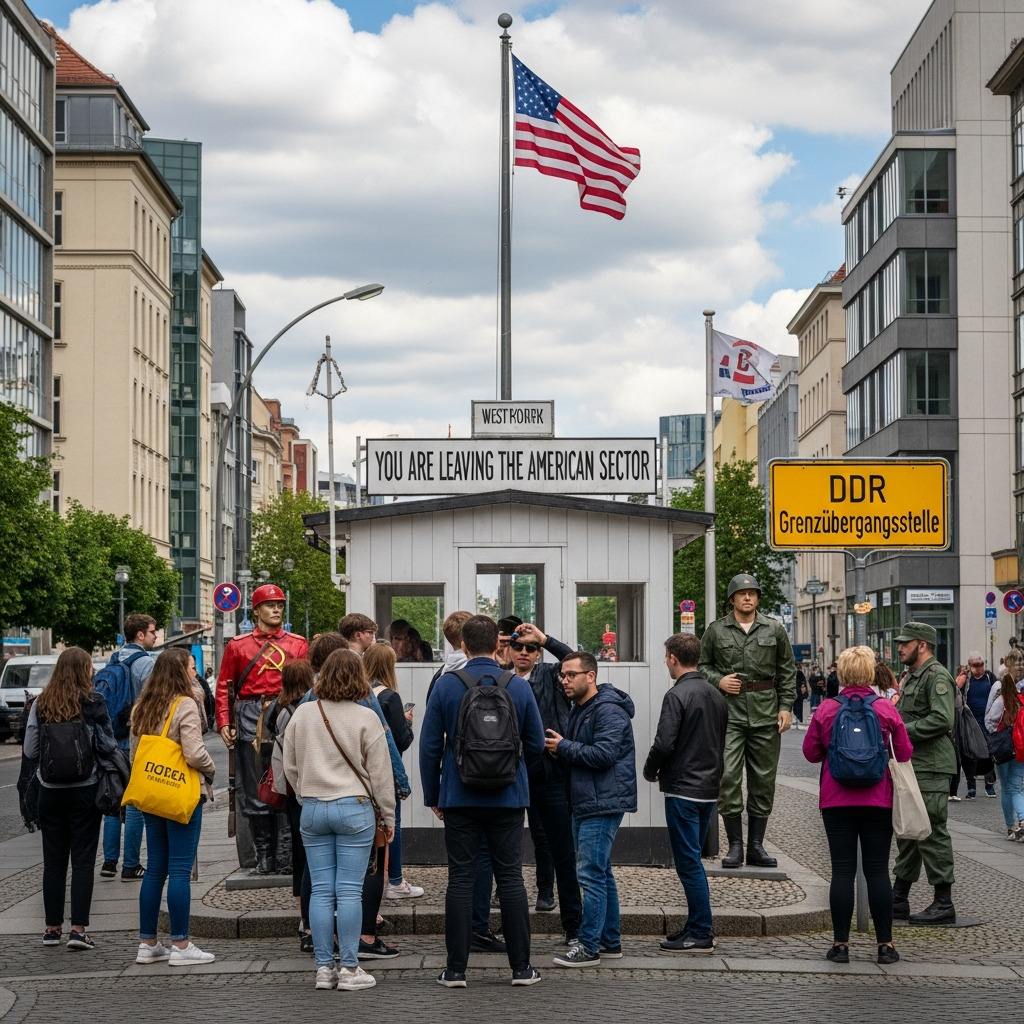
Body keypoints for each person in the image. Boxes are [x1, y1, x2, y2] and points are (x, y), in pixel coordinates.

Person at [419, 614, 545, 988]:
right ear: (498, 646)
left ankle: (456, 970)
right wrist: (519, 781)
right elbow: (536, 745)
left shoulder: (445, 686)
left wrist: (434, 795)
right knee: (510, 878)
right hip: (508, 798)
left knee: (460, 878)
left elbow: (429, 747)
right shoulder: (518, 687)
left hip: (459, 796)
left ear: (462, 645)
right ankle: (522, 969)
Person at [284, 649, 396, 991]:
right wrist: (388, 815)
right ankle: (349, 969)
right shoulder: (366, 718)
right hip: (354, 808)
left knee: (320, 890)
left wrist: (306, 794)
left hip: (314, 808)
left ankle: (323, 969)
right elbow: (381, 775)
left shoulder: (303, 714)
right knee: (349, 891)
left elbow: (289, 765)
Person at [802, 646, 913, 965]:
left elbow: (811, 753)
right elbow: (904, 753)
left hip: (837, 800)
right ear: (869, 672)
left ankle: (840, 945)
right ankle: (885, 946)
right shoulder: (884, 708)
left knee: (842, 870)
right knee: (877, 870)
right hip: (878, 800)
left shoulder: (826, 709)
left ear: (842, 673)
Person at [697, 573, 796, 869]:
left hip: (766, 712)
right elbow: (701, 666)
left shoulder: (775, 629)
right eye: (742, 594)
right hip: (729, 713)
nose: (748, 598)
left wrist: (786, 706)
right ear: (732, 600)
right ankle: (735, 846)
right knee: (728, 778)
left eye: (753, 593)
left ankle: (756, 846)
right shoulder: (716, 631)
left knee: (763, 780)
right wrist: (719, 680)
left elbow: (787, 671)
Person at [546, 651, 636, 968]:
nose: (564, 680)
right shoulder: (582, 708)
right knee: (601, 872)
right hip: (587, 799)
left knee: (590, 874)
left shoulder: (608, 710)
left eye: (571, 674)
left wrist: (564, 747)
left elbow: (604, 754)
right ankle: (610, 942)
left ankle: (588, 947)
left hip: (602, 801)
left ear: (591, 676)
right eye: (562, 675)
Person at [25, 647, 117, 950]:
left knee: (53, 863)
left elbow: (30, 750)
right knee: (82, 861)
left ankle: (51, 930)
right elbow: (108, 744)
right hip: (86, 790)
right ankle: (78, 931)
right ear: (85, 670)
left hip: (49, 794)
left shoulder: (41, 703)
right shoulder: (93, 702)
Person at [131, 648, 217, 966]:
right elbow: (194, 753)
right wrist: (211, 770)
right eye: (192, 668)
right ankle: (181, 945)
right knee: (180, 869)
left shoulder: (143, 705)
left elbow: (136, 755)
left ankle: (148, 943)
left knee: (155, 868)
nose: (195, 673)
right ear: (181, 671)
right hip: (180, 793)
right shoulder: (186, 704)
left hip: (152, 792)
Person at [643, 633, 728, 953]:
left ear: (673, 658)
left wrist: (650, 770)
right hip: (708, 789)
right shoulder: (715, 694)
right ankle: (694, 925)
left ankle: (702, 931)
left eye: (666, 656)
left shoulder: (677, 695)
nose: (666, 661)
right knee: (692, 860)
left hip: (683, 789)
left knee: (688, 863)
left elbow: (664, 742)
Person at [216, 584, 308, 873]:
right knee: (253, 788)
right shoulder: (237, 646)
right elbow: (223, 688)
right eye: (270, 605)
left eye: (280, 604)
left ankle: (285, 856)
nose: (277, 609)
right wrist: (224, 722)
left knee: (286, 783)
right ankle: (264, 857)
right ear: (256, 611)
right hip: (248, 715)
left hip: (286, 713)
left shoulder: (297, 644)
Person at [508, 621, 582, 942]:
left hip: (550, 772)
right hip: (509, 774)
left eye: (531, 648)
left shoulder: (552, 676)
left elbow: (578, 660)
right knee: (504, 845)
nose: (524, 652)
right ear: (509, 650)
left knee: (556, 845)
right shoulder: (501, 678)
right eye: (519, 646)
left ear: (538, 653)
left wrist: (545, 638)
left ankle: (566, 916)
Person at [891, 622, 957, 925]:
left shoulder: (936, 676)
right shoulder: (912, 676)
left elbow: (942, 720)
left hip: (931, 765)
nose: (900, 647)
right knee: (909, 831)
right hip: (913, 764)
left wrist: (902, 731)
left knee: (931, 831)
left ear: (923, 645)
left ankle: (944, 902)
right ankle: (898, 898)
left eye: (906, 643)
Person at [363, 641, 423, 900]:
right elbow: (401, 741)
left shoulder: (361, 693)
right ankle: (395, 881)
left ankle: (370, 879)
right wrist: (408, 723)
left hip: (363, 771)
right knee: (391, 824)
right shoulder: (390, 696)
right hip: (386, 772)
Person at [100, 613, 157, 882]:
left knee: (113, 800)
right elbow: (152, 703)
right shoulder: (146, 663)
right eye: (153, 631)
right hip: (136, 740)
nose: (156, 636)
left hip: (110, 740)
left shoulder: (114, 659)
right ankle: (131, 865)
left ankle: (109, 862)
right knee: (134, 804)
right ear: (140, 635)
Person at [269, 658, 315, 952]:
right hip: (302, 787)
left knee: (300, 851)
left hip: (289, 789)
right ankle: (307, 918)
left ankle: (304, 913)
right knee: (307, 852)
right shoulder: (301, 710)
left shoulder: (279, 709)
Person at [985, 667, 1024, 840]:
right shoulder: (1021, 701)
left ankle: (1011, 826)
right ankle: (1023, 819)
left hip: (1003, 749)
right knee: (1016, 787)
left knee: (1006, 788)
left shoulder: (1001, 701)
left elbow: (989, 720)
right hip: (1020, 748)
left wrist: (997, 733)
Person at [957, 652, 997, 798]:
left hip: (987, 721)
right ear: (970, 666)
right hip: (970, 721)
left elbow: (998, 693)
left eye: (981, 664)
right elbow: (956, 692)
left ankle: (989, 784)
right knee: (969, 754)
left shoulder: (989, 677)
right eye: (975, 665)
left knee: (988, 753)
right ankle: (971, 787)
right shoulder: (966, 679)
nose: (979, 668)